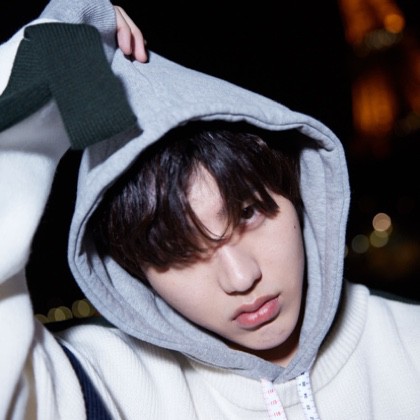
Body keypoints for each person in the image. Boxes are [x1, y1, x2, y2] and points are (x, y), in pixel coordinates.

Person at [1, 0, 419, 419]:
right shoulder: (98, 383)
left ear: (296, 189)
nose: (241, 278)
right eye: (178, 252)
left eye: (249, 213)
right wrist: (42, 51)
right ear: (132, 268)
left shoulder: (409, 344)